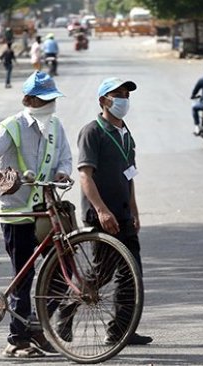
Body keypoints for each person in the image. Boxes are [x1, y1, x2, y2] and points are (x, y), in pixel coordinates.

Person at [0, 70, 72, 358]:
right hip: (16, 212)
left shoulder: (55, 126)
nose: (50, 105)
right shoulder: (12, 126)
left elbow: (65, 155)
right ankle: (17, 340)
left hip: (45, 210)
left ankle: (36, 325)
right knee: (24, 276)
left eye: (52, 100)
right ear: (28, 100)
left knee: (63, 269)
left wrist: (63, 171)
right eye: (43, 100)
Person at [76, 77, 153, 345]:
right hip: (101, 215)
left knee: (131, 274)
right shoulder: (92, 132)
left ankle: (121, 330)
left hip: (123, 215)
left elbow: (129, 176)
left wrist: (134, 211)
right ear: (103, 101)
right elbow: (85, 176)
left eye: (126, 95)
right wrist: (101, 210)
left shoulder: (126, 134)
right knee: (102, 273)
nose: (123, 99)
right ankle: (65, 311)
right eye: (116, 95)